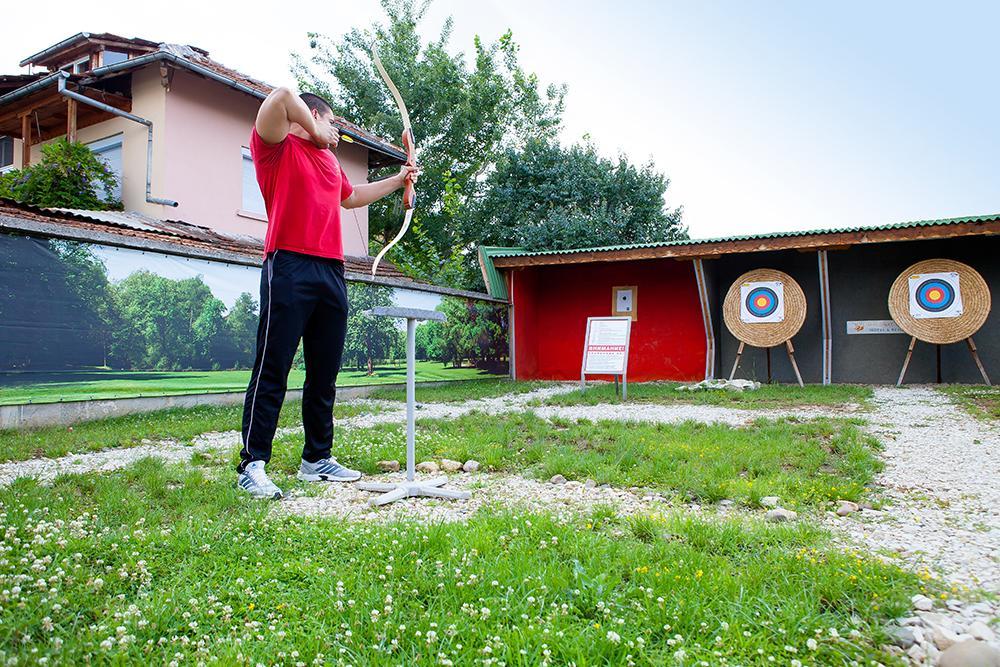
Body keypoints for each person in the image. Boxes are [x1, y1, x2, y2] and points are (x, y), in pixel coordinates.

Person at [237, 87, 417, 499]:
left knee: (325, 372)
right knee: (273, 366)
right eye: (331, 122)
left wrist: (399, 179)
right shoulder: (275, 146)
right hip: (288, 265)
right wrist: (317, 133)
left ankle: (316, 460)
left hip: (331, 270)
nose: (335, 131)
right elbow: (282, 95)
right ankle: (252, 464)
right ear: (313, 116)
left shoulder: (329, 161)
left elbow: (352, 198)